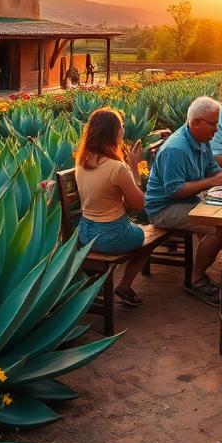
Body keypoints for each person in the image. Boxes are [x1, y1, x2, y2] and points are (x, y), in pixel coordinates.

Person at [145, 95, 222, 305]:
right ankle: (196, 280)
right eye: (213, 124)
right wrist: (213, 181)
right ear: (196, 122)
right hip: (164, 208)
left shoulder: (201, 140)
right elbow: (174, 191)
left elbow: (213, 170)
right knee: (221, 226)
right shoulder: (176, 149)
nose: (217, 129)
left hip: (189, 200)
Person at [74, 107, 150, 307]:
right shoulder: (116, 167)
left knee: (135, 231)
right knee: (145, 239)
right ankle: (124, 286)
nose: (123, 131)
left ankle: (95, 286)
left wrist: (130, 167)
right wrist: (133, 166)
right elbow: (139, 204)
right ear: (113, 132)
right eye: (121, 127)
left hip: (85, 233)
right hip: (110, 236)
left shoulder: (82, 161)